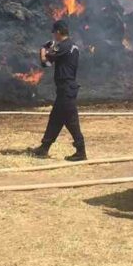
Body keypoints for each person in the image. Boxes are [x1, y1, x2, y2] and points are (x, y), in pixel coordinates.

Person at [29, 20, 86, 161]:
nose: (53, 35)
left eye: (54, 32)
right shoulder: (73, 46)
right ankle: (44, 147)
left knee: (71, 121)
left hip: (66, 89)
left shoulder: (63, 46)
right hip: (66, 88)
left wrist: (43, 50)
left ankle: (81, 151)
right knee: (55, 119)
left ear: (59, 32)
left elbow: (46, 63)